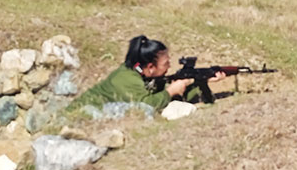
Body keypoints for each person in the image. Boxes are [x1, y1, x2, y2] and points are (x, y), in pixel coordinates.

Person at [68, 35, 224, 113]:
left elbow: (158, 93)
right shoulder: (126, 79)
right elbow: (147, 105)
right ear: (150, 67)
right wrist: (170, 91)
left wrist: (202, 81)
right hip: (79, 115)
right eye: (165, 64)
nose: (169, 66)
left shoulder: (139, 73)